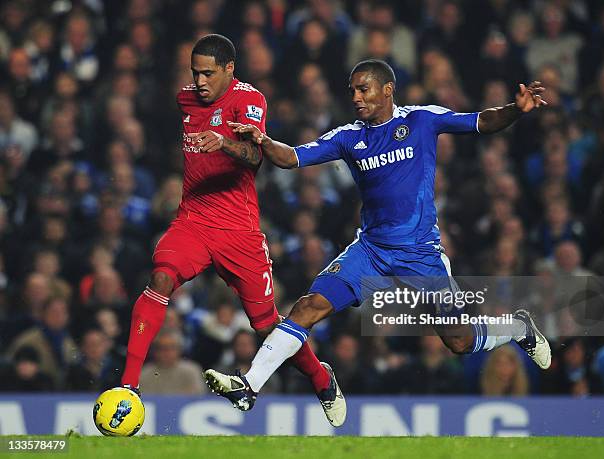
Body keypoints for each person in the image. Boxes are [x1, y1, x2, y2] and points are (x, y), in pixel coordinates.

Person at [204, 59, 552, 418]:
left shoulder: (421, 120)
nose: (355, 96)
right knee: (308, 307)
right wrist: (262, 140)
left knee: (459, 340)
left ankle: (518, 327)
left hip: (420, 254)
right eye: (352, 90)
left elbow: (481, 121)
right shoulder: (348, 137)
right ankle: (250, 386)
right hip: (370, 251)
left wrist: (516, 109)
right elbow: (292, 158)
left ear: (387, 90)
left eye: (363, 88)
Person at [117, 34, 342, 426]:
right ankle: (128, 388)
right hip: (194, 219)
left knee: (269, 326)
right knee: (161, 277)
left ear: (229, 70)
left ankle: (322, 379)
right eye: (195, 72)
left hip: (239, 231)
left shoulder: (249, 100)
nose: (200, 81)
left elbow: (255, 156)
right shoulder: (186, 100)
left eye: (208, 73)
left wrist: (223, 143)